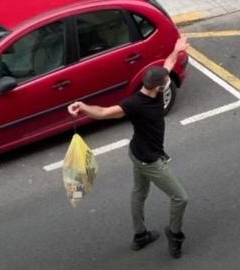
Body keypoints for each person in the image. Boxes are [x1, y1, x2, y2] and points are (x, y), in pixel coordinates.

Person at [68, 36, 189, 259]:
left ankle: (140, 235)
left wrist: (177, 49)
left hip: (136, 153)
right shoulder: (135, 104)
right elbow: (104, 113)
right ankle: (175, 234)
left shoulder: (155, 88)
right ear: (158, 86)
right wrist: (83, 107)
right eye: (166, 82)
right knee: (180, 198)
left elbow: (168, 65)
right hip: (149, 160)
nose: (169, 81)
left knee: (139, 192)